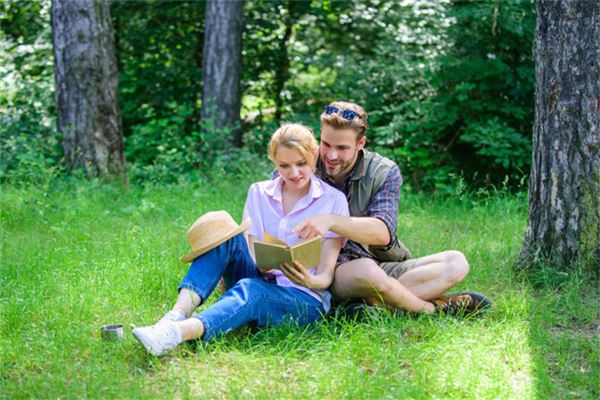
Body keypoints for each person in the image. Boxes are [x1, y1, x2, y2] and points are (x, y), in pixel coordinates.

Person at [132, 123, 349, 356]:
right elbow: (251, 249)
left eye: (301, 164)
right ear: (273, 161)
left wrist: (309, 280)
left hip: (304, 300)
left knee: (251, 289)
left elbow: (326, 276)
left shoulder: (333, 201)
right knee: (225, 235)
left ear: (314, 156)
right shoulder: (258, 193)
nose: (293, 173)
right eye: (284, 166)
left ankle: (175, 334)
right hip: (260, 277)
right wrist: (263, 263)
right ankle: (175, 315)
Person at [291, 101, 490, 315]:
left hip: (377, 265)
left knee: (456, 262)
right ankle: (431, 307)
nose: (331, 155)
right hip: (328, 270)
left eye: (342, 148)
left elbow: (383, 233)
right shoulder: (299, 165)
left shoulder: (383, 172)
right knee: (365, 272)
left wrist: (330, 221)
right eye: (326, 144)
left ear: (361, 143)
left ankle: (370, 307)